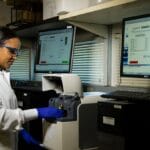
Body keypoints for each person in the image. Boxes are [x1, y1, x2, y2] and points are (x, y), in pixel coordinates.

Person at [0, 26, 65, 150]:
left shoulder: (2, 75)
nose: (15, 57)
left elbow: (8, 108)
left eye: (17, 52)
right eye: (12, 51)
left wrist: (19, 130)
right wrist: (37, 112)